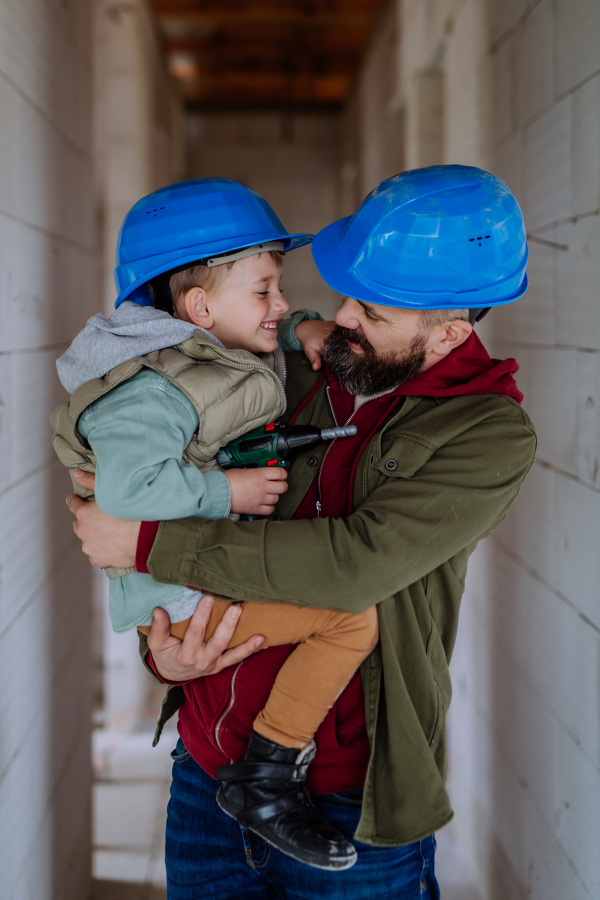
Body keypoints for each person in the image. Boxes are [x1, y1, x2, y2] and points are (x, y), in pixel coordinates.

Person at [67, 165, 537, 900]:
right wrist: (158, 645)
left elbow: (353, 568)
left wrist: (144, 542)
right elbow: (203, 357)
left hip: (351, 803)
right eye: (349, 295)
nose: (344, 315)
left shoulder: (487, 432)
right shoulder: (310, 364)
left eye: (371, 311)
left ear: (446, 334)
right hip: (207, 770)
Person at [52, 178, 380, 870]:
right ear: (199, 307)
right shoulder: (149, 391)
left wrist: (302, 327)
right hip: (176, 588)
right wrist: (223, 489)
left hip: (183, 572)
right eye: (265, 290)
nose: (281, 303)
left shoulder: (185, 352)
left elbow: (244, 344)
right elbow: (129, 488)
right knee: (351, 620)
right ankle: (268, 775)